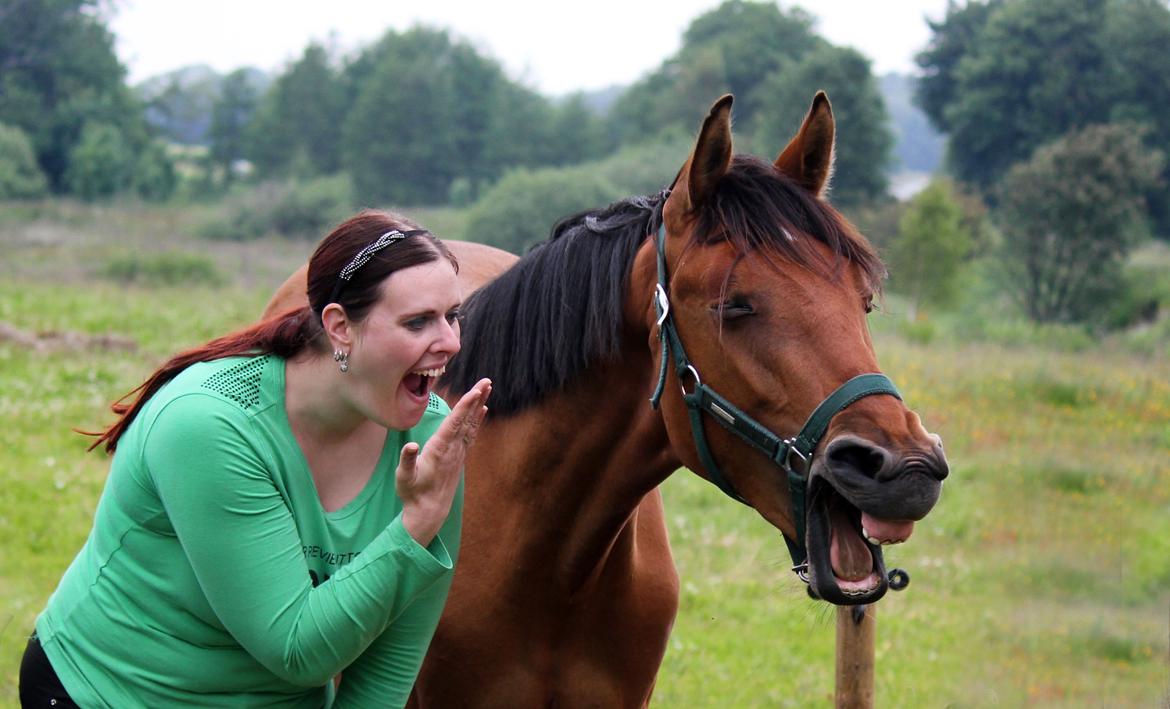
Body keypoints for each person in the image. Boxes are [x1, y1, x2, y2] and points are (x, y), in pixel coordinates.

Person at [19, 209, 491, 708]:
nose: (451, 342)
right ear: (340, 328)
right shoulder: (210, 425)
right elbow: (296, 649)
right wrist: (416, 525)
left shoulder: (433, 434)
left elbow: (394, 656)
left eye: (452, 315)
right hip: (114, 693)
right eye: (418, 321)